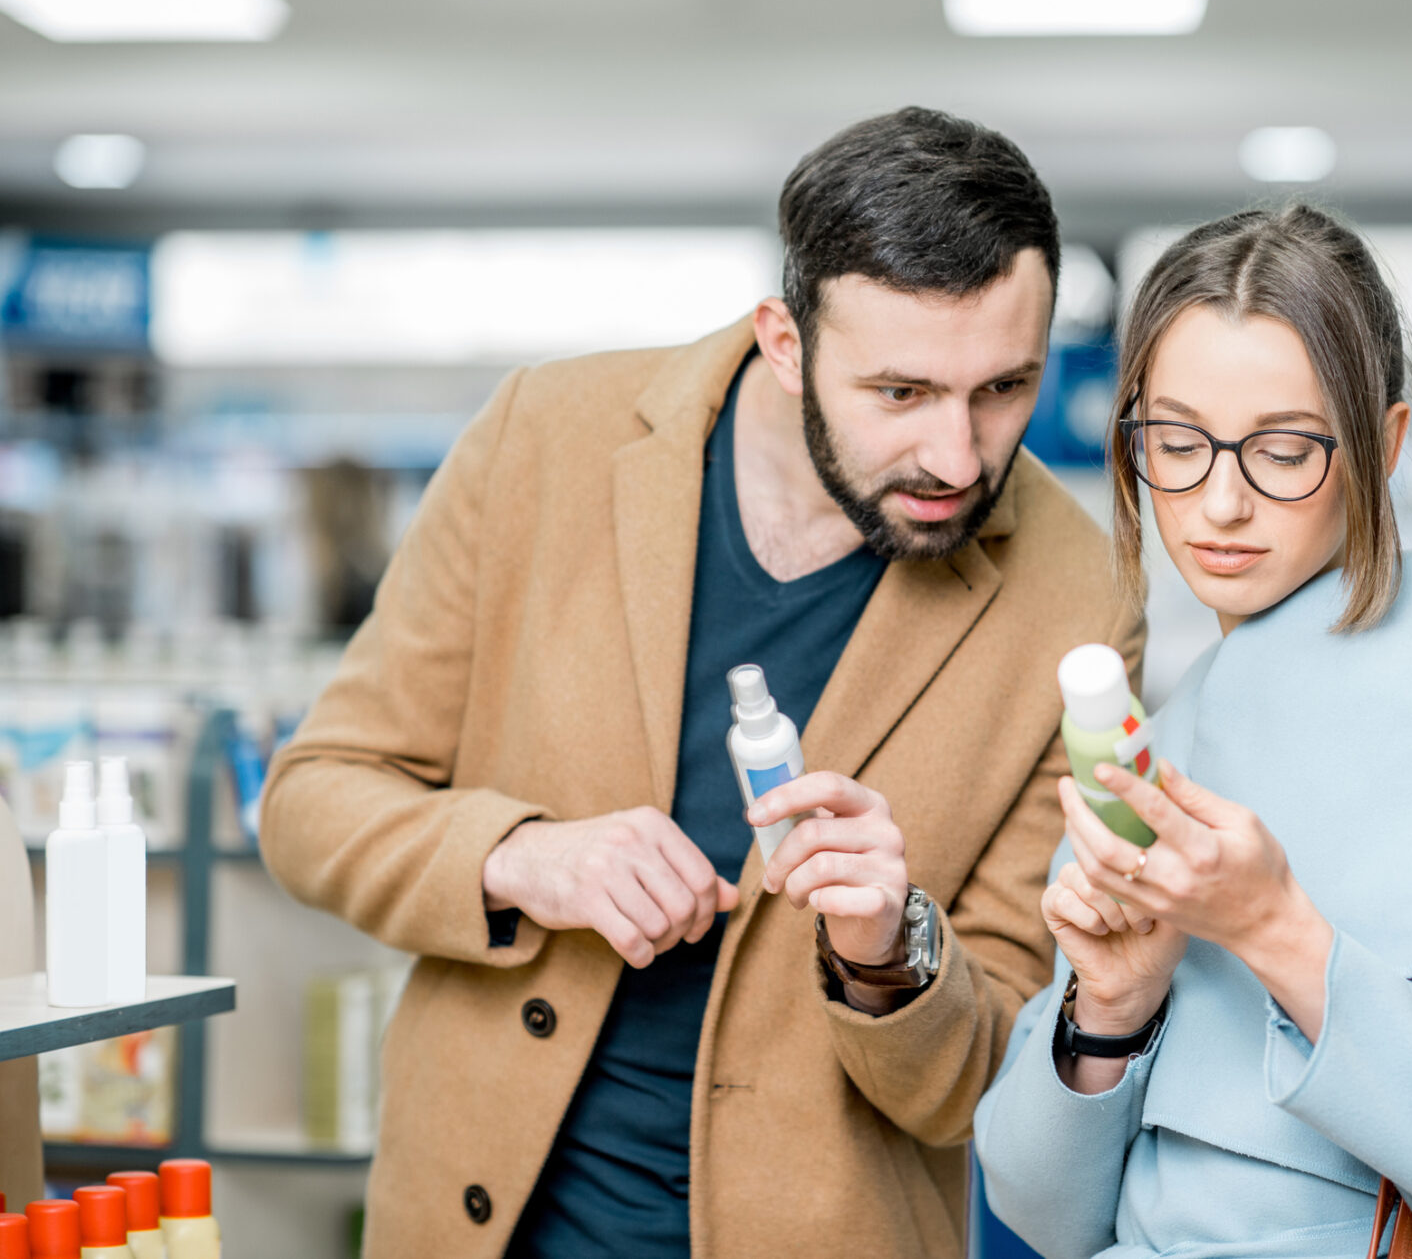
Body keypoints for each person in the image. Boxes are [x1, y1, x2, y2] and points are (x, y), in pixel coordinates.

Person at [259, 107, 1142, 1259]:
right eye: (901, 393)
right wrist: (525, 857)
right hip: (480, 1221)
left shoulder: (1076, 601)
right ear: (784, 339)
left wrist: (890, 948)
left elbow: (985, 1077)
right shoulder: (545, 439)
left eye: (1003, 389)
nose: (960, 458)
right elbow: (314, 799)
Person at [973, 204, 1412, 1259]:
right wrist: (1110, 1010)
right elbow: (1042, 1214)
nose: (1219, 503)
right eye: (1176, 443)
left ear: (1386, 444)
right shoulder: (1155, 747)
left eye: (1281, 450)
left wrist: (1277, 929)